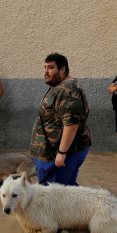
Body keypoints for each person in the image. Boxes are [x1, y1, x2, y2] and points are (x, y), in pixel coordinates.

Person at [31, 53, 91, 186]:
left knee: (55, 194)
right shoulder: (61, 87)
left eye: (51, 68)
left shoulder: (67, 91)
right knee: (66, 190)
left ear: (62, 69)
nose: (46, 72)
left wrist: (62, 153)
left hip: (59, 153)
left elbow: (71, 125)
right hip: (53, 151)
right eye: (45, 67)